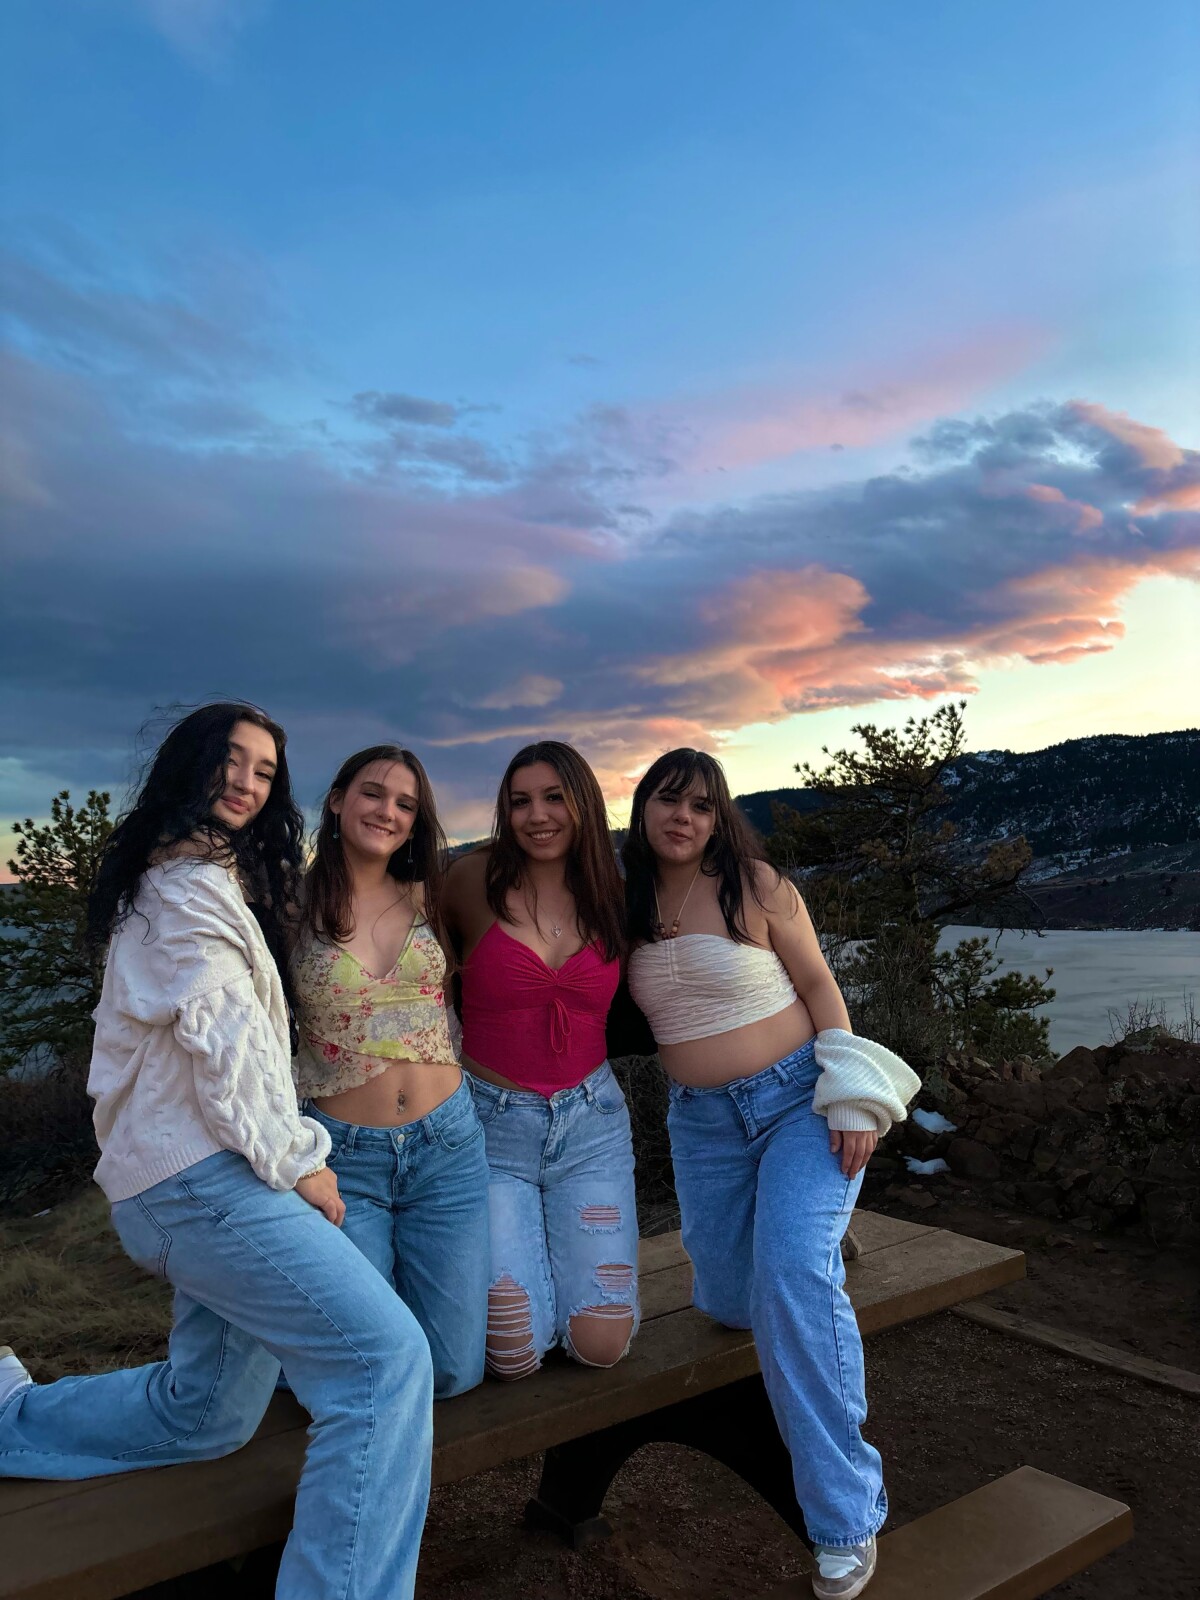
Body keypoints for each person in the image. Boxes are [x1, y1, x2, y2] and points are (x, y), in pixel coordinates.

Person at [0, 704, 433, 1600]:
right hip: (200, 1181)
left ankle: (11, 1421)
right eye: (229, 760)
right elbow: (232, 1055)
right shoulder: (184, 893)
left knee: (208, 1412)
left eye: (264, 770)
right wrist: (302, 1163)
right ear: (188, 765)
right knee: (384, 1364)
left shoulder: (197, 876)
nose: (245, 781)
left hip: (194, 1176)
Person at [623, 748, 919, 1600]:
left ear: (719, 817)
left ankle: (845, 1516)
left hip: (799, 1102)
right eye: (668, 800)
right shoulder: (623, 900)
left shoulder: (755, 885)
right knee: (727, 1301)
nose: (683, 817)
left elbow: (820, 985)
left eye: (701, 805)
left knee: (789, 1279)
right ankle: (810, 1231)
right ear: (642, 808)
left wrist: (851, 1096)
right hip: (703, 1123)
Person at [290, 745, 489, 1399]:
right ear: (337, 800)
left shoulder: (434, 895)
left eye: (406, 803)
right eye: (373, 793)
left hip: (447, 1146)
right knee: (369, 1363)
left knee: (455, 1371)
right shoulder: (289, 909)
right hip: (343, 1159)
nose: (388, 811)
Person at [442, 741, 638, 1380]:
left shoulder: (612, 894)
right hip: (489, 1129)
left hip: (592, 1127)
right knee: (512, 1350)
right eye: (520, 802)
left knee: (602, 1344)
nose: (538, 816)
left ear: (583, 802)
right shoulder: (470, 882)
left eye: (554, 797)